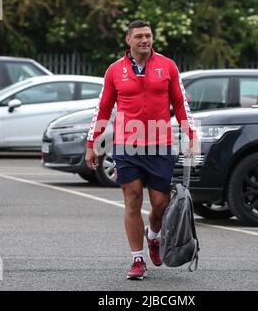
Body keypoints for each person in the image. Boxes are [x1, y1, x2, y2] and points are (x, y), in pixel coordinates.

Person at [85, 20, 198, 280]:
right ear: (129, 40)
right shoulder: (115, 70)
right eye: (139, 36)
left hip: (160, 144)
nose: (145, 40)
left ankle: (153, 236)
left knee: (160, 204)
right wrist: (92, 144)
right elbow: (103, 108)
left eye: (148, 35)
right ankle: (137, 260)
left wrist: (191, 135)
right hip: (127, 146)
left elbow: (180, 103)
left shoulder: (167, 66)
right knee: (133, 200)